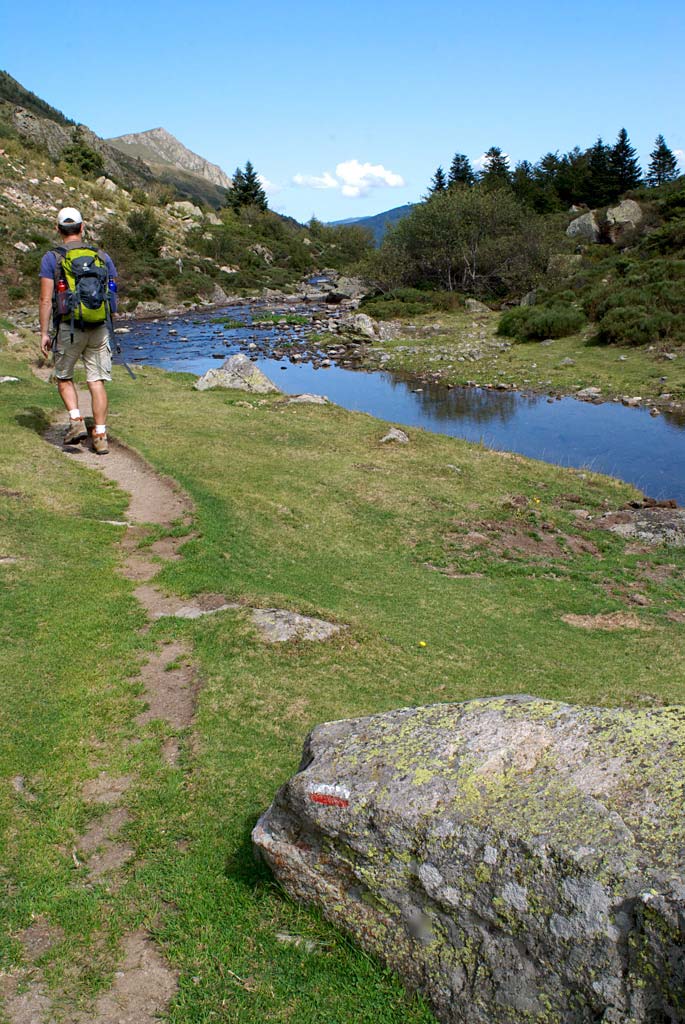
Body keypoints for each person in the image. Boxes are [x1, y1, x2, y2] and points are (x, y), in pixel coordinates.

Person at [39, 207, 118, 455]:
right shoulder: (101, 257)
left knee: (63, 376)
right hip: (99, 327)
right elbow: (112, 293)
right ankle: (101, 435)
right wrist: (107, 323)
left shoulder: (52, 258)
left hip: (68, 328)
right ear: (83, 228)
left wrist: (43, 333)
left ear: (58, 229)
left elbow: (45, 299)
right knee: (96, 381)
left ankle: (75, 421)